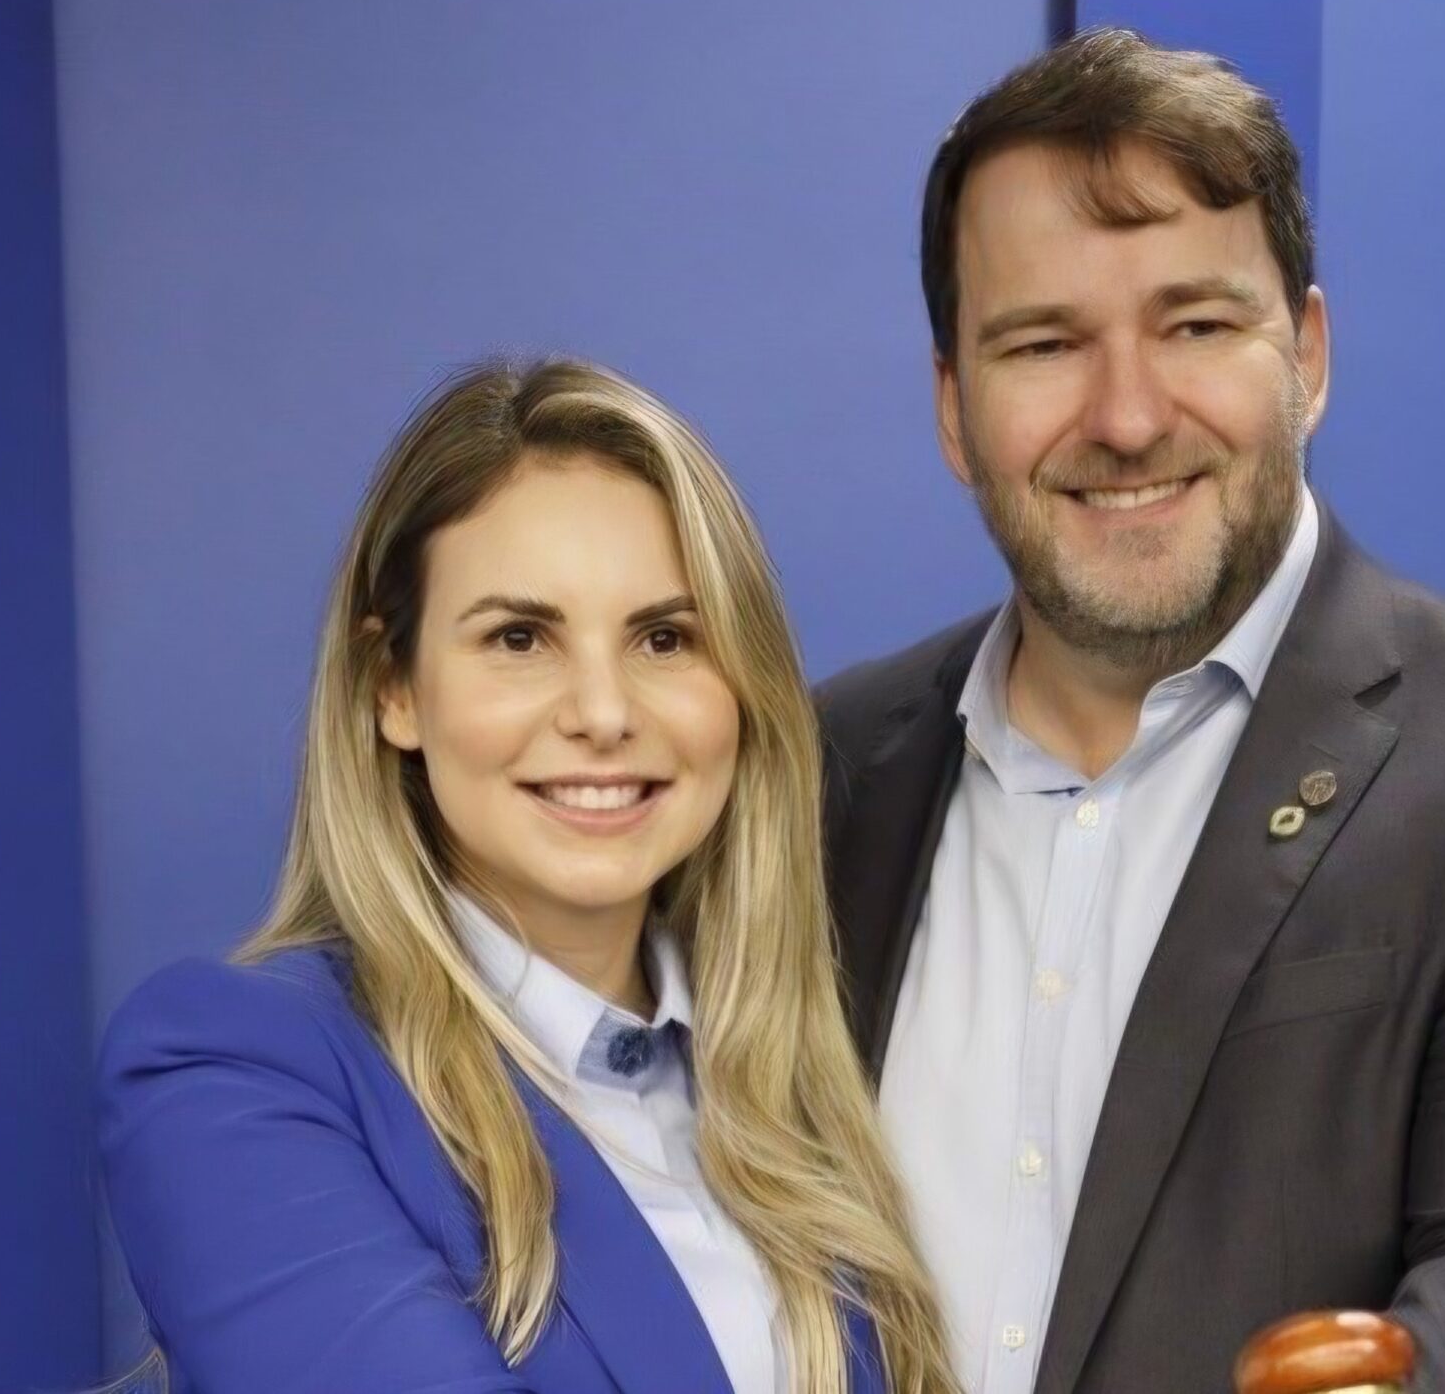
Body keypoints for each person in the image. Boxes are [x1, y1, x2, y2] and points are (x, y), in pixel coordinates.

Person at [818, 30, 1445, 1393]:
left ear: (1305, 351)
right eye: (1044, 342)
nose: (1128, 416)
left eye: (1195, 325)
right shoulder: (819, 773)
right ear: (954, 406)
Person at [100, 359, 955, 1394]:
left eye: (665, 637)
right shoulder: (236, 1070)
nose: (603, 711)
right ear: (392, 687)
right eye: (519, 637)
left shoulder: (799, 1082)